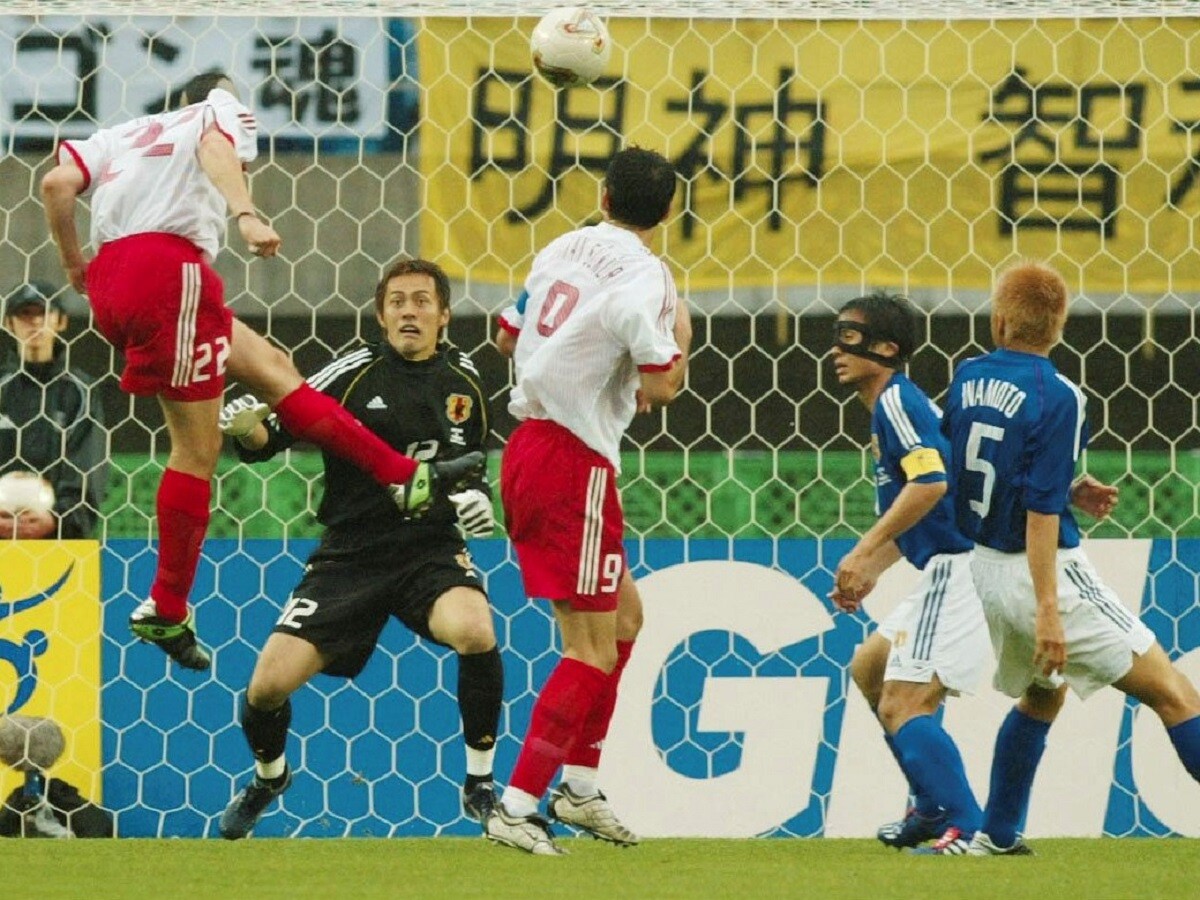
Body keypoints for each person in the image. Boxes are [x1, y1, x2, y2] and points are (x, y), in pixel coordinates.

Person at [40, 70, 481, 672]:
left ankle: (404, 476)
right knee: (196, 449)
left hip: (114, 280)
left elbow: (56, 185)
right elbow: (214, 147)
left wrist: (76, 268)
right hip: (171, 271)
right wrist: (245, 212)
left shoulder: (120, 134)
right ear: (217, 95)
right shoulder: (217, 112)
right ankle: (165, 606)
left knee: (273, 368)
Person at [217, 258, 503, 839]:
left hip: (429, 549)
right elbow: (270, 438)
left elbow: (472, 467)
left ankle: (479, 784)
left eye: (422, 301)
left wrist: (477, 499)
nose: (409, 312)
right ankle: (270, 778)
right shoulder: (353, 371)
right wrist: (246, 428)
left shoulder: (467, 381)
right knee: (266, 687)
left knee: (475, 629)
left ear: (445, 315)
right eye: (397, 302)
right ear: (380, 314)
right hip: (351, 554)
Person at [942, 261, 1200, 855]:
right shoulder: (1059, 395)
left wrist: (1066, 491)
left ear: (1000, 319)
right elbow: (1036, 514)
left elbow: (976, 466)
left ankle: (998, 835)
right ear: (1059, 328)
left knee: (1043, 693)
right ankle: (997, 831)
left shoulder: (967, 376)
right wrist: (1050, 611)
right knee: (1173, 692)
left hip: (984, 566)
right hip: (1041, 573)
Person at [486, 146, 691, 856]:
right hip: (574, 462)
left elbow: (506, 331)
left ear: (603, 197)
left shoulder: (563, 246)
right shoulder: (649, 277)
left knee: (628, 617)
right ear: (668, 211)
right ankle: (515, 805)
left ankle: (579, 787)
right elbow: (663, 387)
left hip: (529, 450)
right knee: (590, 648)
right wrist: (683, 340)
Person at [827, 292, 990, 855]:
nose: (836, 350)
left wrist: (862, 548)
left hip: (961, 568)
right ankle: (928, 807)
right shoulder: (892, 409)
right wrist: (872, 566)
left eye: (850, 337)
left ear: (887, 349)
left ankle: (967, 824)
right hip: (949, 561)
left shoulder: (897, 402)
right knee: (869, 667)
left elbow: (931, 484)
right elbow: (933, 504)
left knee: (902, 703)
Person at [0, 281, 108, 540]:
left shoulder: (81, 392)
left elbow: (90, 466)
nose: (35, 322)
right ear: (8, 323)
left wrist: (58, 520)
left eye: (43, 313)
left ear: (61, 321)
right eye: (24, 314)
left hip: (59, 540)